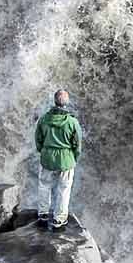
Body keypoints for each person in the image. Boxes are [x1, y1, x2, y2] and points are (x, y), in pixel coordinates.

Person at [33, 89, 82, 228]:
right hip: (66, 160)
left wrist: (43, 151)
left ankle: (43, 213)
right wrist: (73, 158)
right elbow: (77, 145)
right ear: (67, 103)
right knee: (63, 189)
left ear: (54, 101)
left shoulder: (43, 119)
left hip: (47, 158)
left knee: (44, 185)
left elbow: (38, 140)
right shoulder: (72, 122)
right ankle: (59, 219)